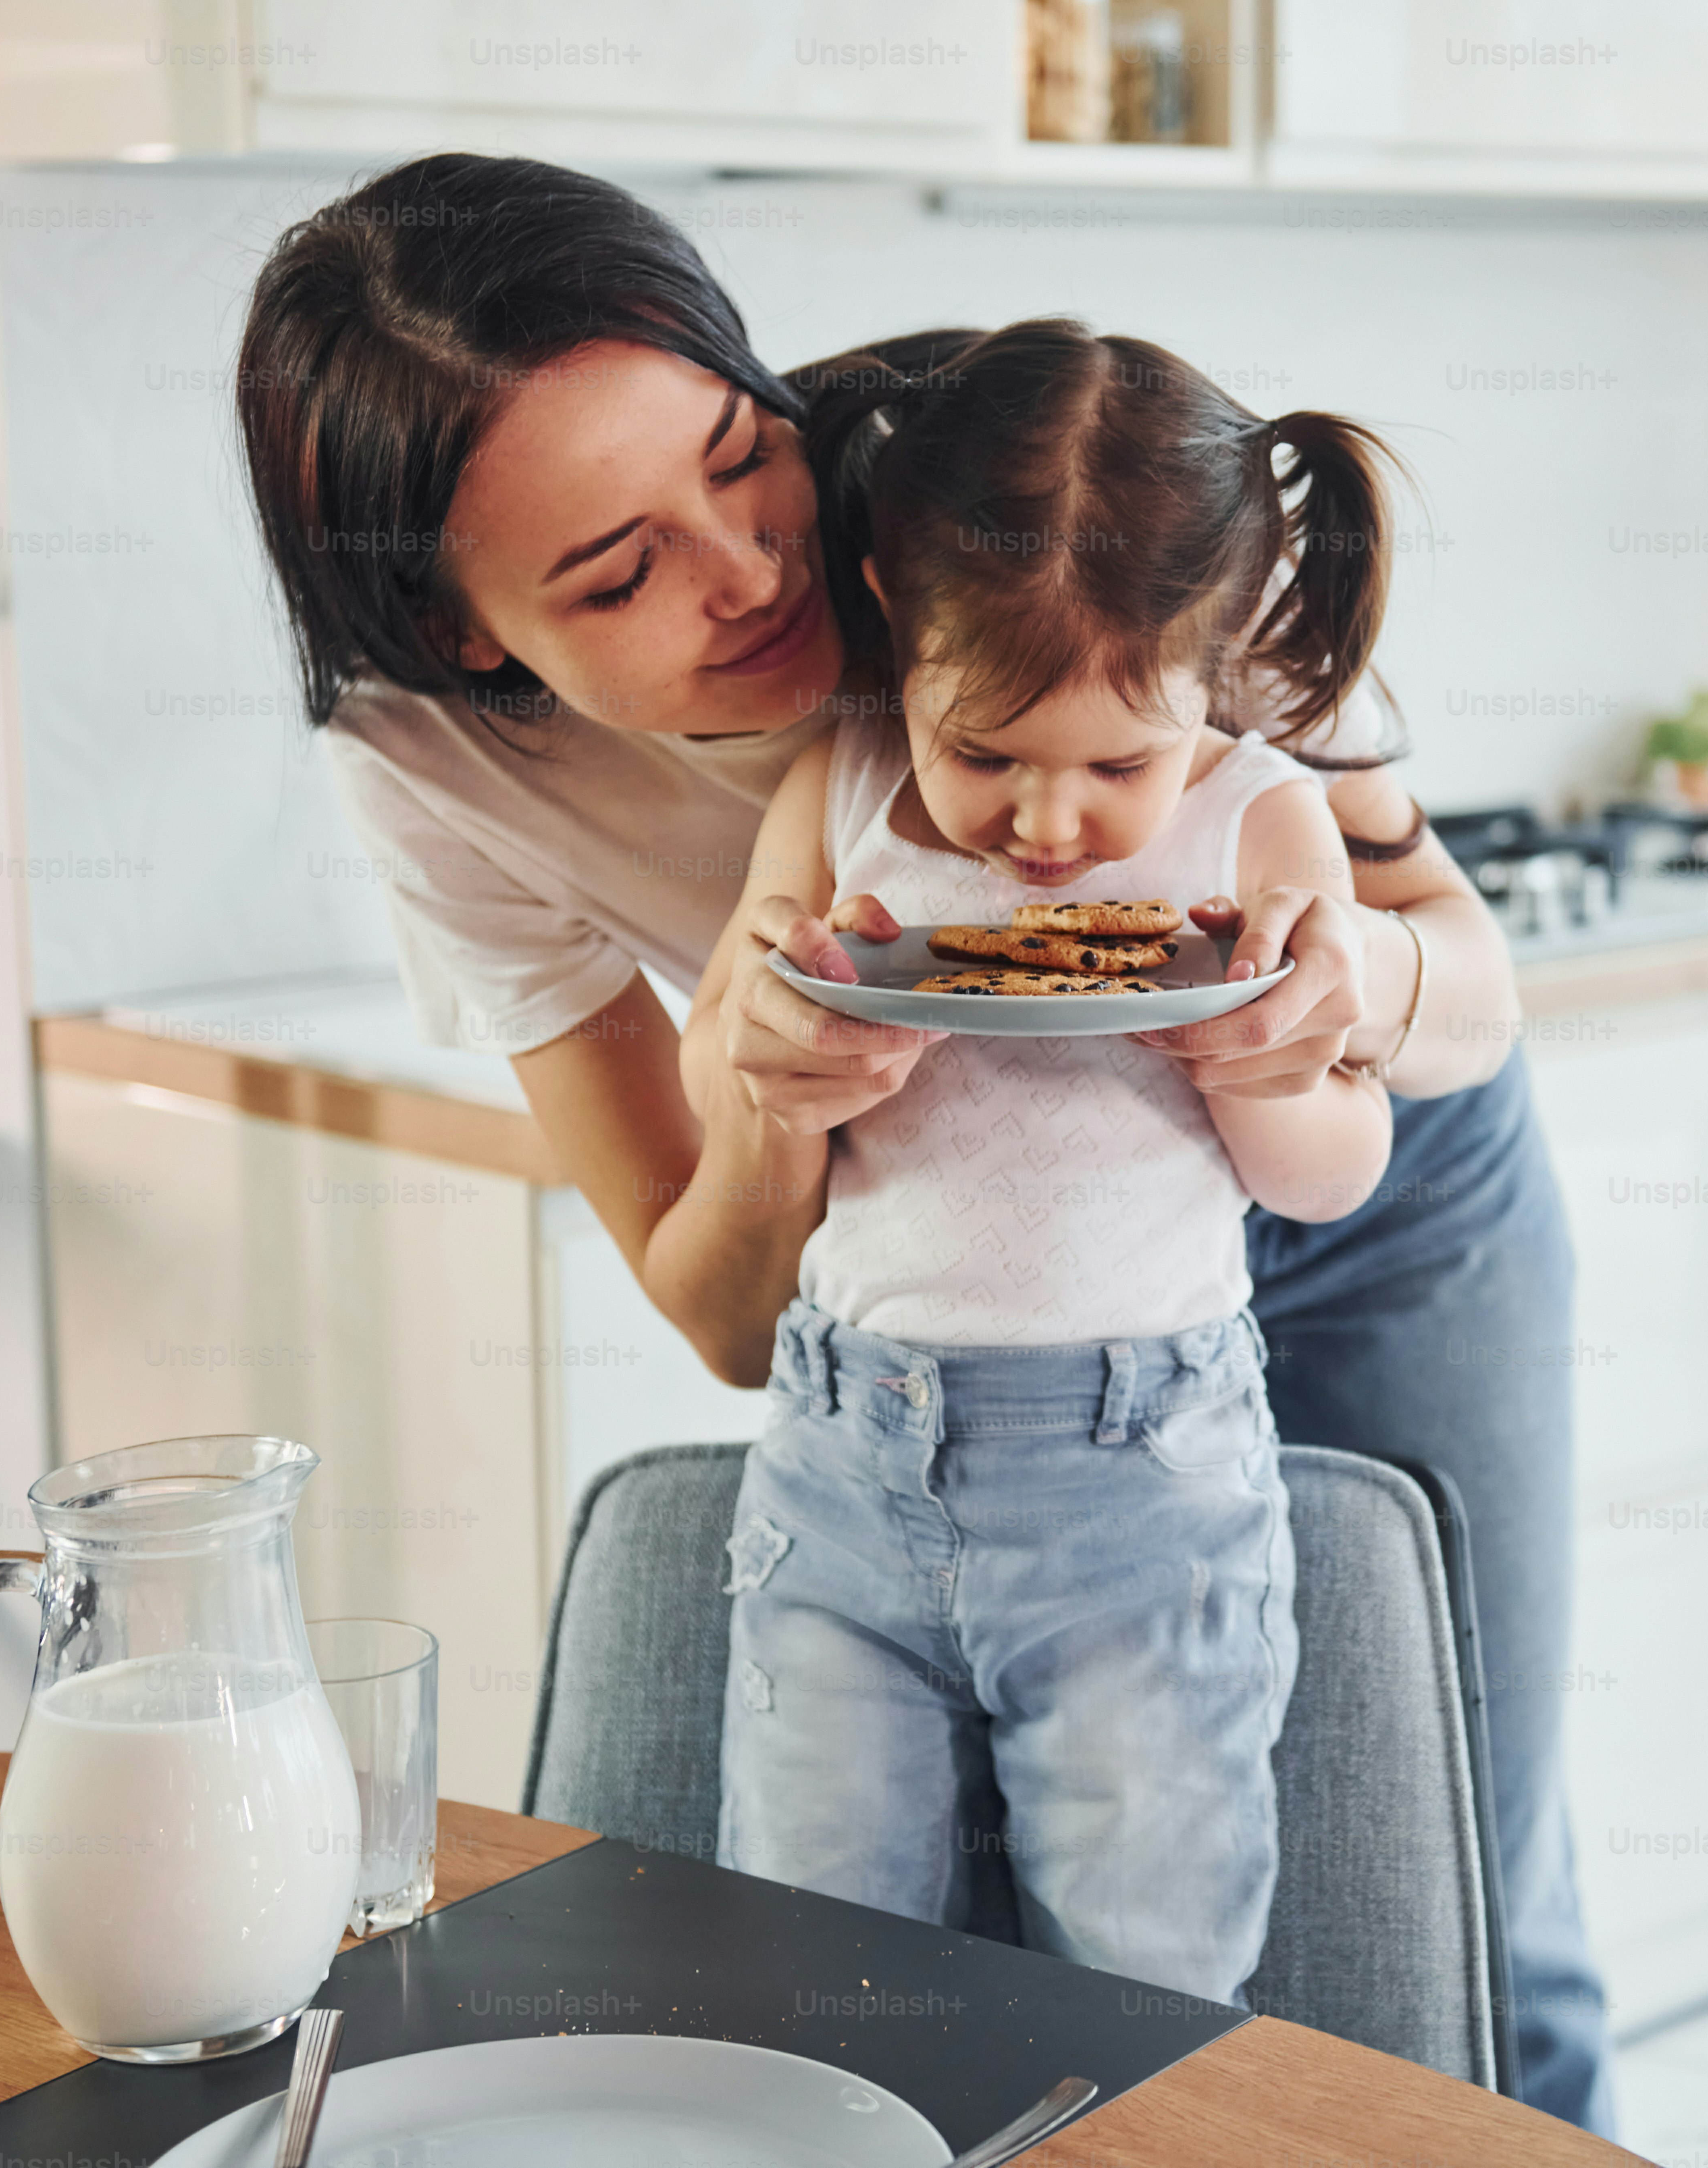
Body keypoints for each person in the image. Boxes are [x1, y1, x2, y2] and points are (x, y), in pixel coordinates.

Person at [236, 152, 1616, 2131]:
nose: (751, 571)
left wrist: (1337, 1006)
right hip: (927, 1268)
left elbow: (1466, 983)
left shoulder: (1015, 502)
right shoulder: (436, 770)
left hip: (1345, 1172)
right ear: (467, 640)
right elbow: (718, 1308)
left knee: (1465, 1847)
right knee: (944, 1927)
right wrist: (778, 1115)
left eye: (739, 454)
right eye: (616, 573)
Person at [676, 320, 1392, 1999]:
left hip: (1142, 1471)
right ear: (892, 619)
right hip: (843, 1455)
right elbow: (731, 1058)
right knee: (804, 1972)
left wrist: (1260, 1053)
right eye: (985, 752)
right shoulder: (843, 786)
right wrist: (782, 1055)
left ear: (1213, 676)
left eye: (1116, 765)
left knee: (1144, 1981)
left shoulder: (1263, 824)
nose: (1047, 829)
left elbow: (1332, 1170)